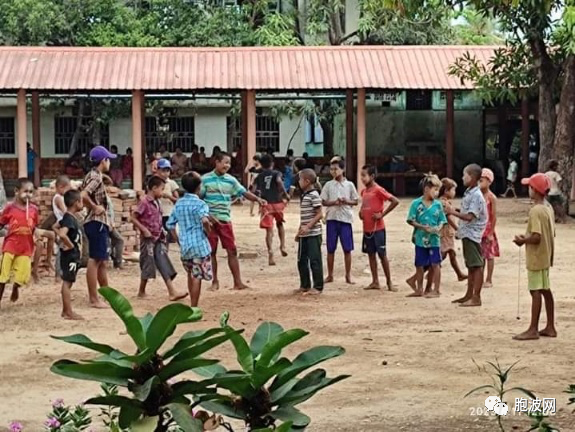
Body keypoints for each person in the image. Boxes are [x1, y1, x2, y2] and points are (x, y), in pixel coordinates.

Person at [201, 152, 266, 291]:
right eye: (225, 162)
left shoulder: (231, 180)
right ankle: (214, 282)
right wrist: (205, 215)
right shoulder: (205, 179)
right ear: (216, 162)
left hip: (225, 220)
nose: (227, 165)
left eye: (229, 163)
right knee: (211, 252)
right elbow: (199, 198)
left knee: (232, 250)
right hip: (210, 221)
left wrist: (257, 199)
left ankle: (238, 282)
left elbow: (243, 192)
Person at [513, 173, 556, 340]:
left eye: (530, 187)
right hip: (546, 255)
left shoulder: (535, 211)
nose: (528, 190)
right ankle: (550, 326)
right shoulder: (548, 207)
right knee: (545, 289)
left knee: (535, 290)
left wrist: (523, 241)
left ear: (535, 190)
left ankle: (533, 329)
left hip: (537, 257)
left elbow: (537, 237)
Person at [131, 176, 187, 302]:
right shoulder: (144, 202)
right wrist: (143, 230)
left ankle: (172, 291)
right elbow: (133, 217)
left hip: (158, 237)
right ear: (154, 188)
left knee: (162, 262)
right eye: (161, 189)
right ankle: (141, 291)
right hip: (148, 239)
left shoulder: (157, 202)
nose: (163, 192)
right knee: (147, 264)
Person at [167, 171, 213, 307]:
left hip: (185, 246)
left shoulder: (179, 204)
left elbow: (170, 225)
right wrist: (208, 231)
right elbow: (205, 220)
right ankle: (194, 306)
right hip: (199, 245)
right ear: (199, 187)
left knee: (190, 274)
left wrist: (178, 240)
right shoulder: (200, 204)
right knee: (197, 276)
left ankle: (192, 304)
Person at [447, 164, 487, 307]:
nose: (463, 177)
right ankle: (469, 294)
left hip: (472, 234)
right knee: (471, 265)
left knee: (476, 265)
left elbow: (470, 216)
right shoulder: (470, 192)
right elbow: (467, 210)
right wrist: (454, 210)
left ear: (473, 177)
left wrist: (452, 212)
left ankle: (476, 297)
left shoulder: (476, 195)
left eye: (465, 175)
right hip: (467, 233)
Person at [82, 145, 116, 309]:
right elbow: (84, 195)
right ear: (104, 161)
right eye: (108, 159)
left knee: (101, 260)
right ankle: (94, 298)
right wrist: (95, 207)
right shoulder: (96, 178)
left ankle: (106, 293)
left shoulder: (93, 175)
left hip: (96, 222)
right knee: (95, 259)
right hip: (97, 221)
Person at [406, 174, 447, 298]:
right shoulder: (416, 204)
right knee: (419, 264)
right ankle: (419, 289)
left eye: (438, 190)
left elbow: (442, 220)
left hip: (434, 240)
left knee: (436, 263)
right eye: (435, 189)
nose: (437, 192)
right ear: (426, 189)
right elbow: (410, 220)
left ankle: (436, 289)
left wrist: (439, 227)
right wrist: (423, 227)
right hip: (420, 239)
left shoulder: (438, 205)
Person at [360, 165, 399, 291]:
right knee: (371, 254)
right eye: (361, 175)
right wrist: (361, 213)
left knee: (382, 255)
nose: (362, 178)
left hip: (378, 229)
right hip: (367, 229)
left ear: (372, 176)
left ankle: (389, 282)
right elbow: (365, 205)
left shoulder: (378, 190)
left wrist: (382, 214)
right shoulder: (364, 191)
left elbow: (395, 201)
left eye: (364, 176)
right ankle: (375, 281)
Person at [0, 178, 38, 307]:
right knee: (3, 276)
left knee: (22, 276)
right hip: (10, 245)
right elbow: (1, 222)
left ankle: (16, 288)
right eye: (25, 191)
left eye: (31, 192)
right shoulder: (10, 208)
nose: (28, 194)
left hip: (26, 247)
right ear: (16, 191)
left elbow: (33, 227)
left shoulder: (34, 210)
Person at [321, 158, 359, 284]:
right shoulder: (328, 185)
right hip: (332, 218)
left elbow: (355, 200)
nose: (333, 172)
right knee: (330, 249)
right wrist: (334, 202)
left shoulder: (349, 185)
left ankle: (348, 275)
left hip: (345, 219)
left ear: (342, 170)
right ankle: (330, 274)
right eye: (331, 169)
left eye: (336, 169)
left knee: (347, 249)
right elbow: (323, 201)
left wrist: (346, 201)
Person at [52, 190, 84, 320]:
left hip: (70, 255)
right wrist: (70, 245)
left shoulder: (67, 217)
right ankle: (68, 312)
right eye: (81, 201)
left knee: (68, 282)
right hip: (70, 256)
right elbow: (62, 233)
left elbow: (55, 226)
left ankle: (66, 311)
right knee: (67, 282)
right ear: (77, 203)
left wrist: (63, 241)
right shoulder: (69, 219)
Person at [255, 154, 288, 266]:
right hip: (277, 203)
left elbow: (255, 189)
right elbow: (279, 181)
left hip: (266, 204)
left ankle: (270, 252)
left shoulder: (259, 176)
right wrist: (285, 193)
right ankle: (282, 245)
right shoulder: (276, 173)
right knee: (280, 224)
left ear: (261, 165)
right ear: (272, 164)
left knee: (269, 230)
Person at [295, 169, 324, 295]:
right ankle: (305, 284)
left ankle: (318, 286)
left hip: (313, 234)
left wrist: (308, 227)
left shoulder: (314, 195)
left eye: (300, 179)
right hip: (304, 234)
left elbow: (319, 214)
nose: (298, 182)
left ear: (307, 181)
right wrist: (299, 231)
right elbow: (304, 217)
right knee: (301, 259)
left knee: (314, 260)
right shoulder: (305, 195)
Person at [438, 178, 467, 281]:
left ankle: (459, 274)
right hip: (445, 232)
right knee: (444, 253)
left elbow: (452, 211)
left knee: (451, 253)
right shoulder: (444, 203)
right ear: (446, 191)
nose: (454, 192)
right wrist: (457, 228)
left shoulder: (444, 202)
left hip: (446, 232)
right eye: (453, 190)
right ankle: (431, 270)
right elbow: (448, 217)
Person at [480, 168, 500, 288]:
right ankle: (480, 277)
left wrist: (491, 232)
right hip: (479, 230)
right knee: (480, 255)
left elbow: (494, 216)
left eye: (482, 180)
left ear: (489, 181)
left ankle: (489, 279)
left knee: (489, 255)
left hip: (487, 230)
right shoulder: (477, 195)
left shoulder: (491, 197)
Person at [155, 159, 180, 243]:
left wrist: (169, 197)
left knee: (170, 237)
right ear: (157, 170)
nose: (165, 173)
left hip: (168, 213)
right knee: (160, 237)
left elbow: (177, 200)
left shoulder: (171, 183)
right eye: (163, 171)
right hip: (157, 213)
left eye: (167, 171)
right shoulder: (154, 182)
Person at [52, 175, 72, 280]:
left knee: (65, 248)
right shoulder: (58, 198)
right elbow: (65, 212)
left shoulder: (60, 197)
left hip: (63, 224)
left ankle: (62, 272)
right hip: (62, 224)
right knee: (61, 249)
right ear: (61, 187)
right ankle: (58, 274)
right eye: (67, 189)